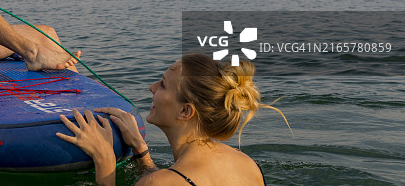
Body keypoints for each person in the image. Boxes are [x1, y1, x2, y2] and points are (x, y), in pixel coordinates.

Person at [57, 53, 287, 186]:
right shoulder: (247, 164)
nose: (151, 88)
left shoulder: (160, 183)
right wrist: (140, 150)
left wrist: (105, 162)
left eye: (163, 85)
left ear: (186, 112)